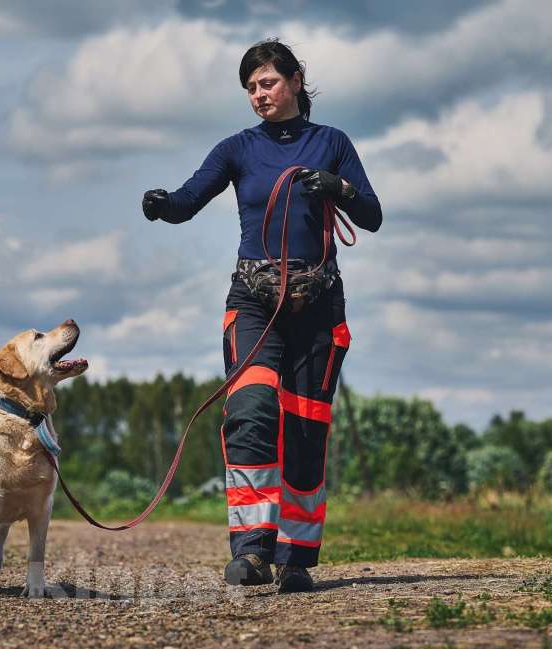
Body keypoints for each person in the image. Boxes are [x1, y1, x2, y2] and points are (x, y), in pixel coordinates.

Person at [141, 39, 381, 593]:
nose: (258, 95)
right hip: (254, 303)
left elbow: (371, 215)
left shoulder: (333, 143)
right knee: (250, 412)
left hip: (318, 306)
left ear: (296, 81)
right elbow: (186, 201)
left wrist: (337, 188)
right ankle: (251, 550)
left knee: (304, 430)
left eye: (267, 82)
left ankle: (296, 556)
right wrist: (162, 206)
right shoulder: (237, 149)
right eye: (250, 87)